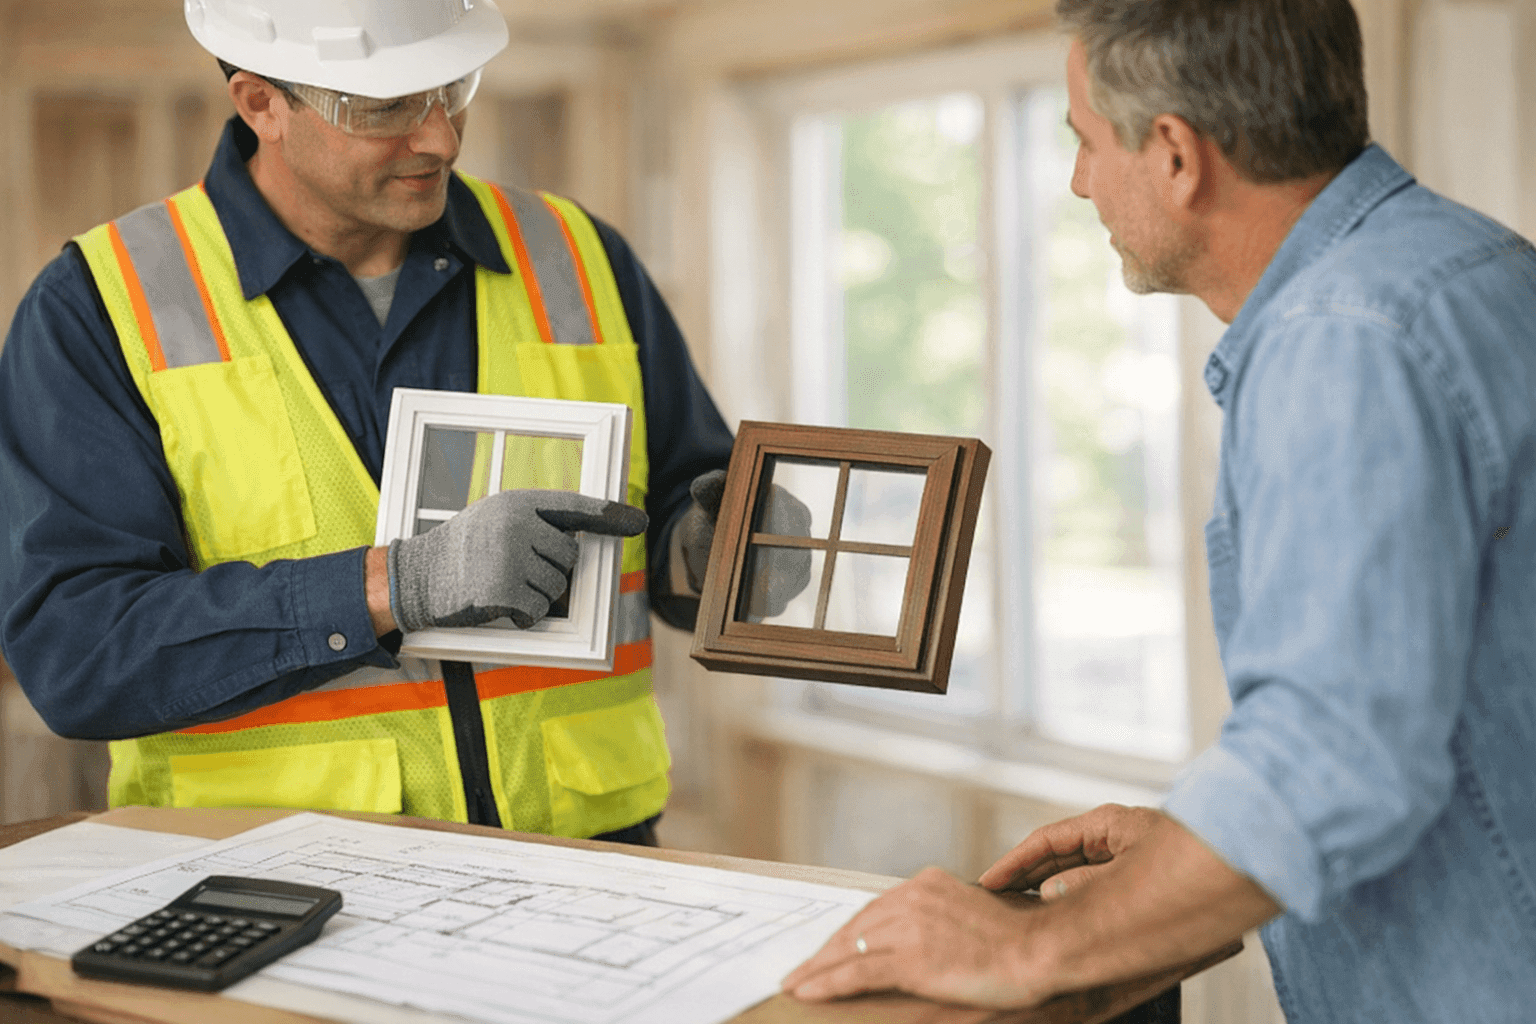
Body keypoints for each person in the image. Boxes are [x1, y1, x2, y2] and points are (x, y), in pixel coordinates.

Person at [783, 0, 1536, 1019]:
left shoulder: (1343, 338)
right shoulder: (1473, 267)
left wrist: (1040, 946)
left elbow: (1333, 763)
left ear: (1178, 155)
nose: (1079, 180)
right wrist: (1184, 861)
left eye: (1086, 142)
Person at [0, 0, 737, 845]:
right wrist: (395, 587)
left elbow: (678, 516)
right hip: (271, 894)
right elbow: (76, 655)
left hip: (592, 861)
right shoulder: (101, 305)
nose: (441, 139)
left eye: (452, 88)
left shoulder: (579, 255)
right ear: (260, 104)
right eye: (386, 108)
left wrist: (710, 555)